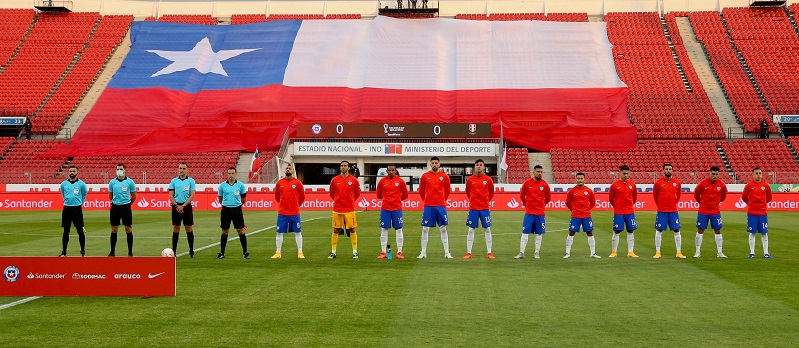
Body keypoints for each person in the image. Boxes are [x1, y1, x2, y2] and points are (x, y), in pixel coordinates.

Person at [418, 156, 452, 259]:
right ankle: (423, 252)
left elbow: (447, 191)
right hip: (428, 206)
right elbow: (421, 191)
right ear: (430, 164)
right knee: (425, 229)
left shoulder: (444, 176)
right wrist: (427, 200)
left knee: (443, 229)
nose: (434, 165)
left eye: (436, 163)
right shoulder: (425, 176)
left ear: (439, 164)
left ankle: (447, 252)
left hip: (440, 206)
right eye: (432, 163)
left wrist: (441, 200)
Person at [515, 165, 551, 259]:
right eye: (538, 171)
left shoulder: (545, 185)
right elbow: (522, 196)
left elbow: (548, 198)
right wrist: (527, 205)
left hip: (540, 213)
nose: (540, 173)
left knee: (539, 233)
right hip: (529, 213)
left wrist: (541, 205)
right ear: (533, 172)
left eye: (541, 172)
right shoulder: (527, 183)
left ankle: (536, 252)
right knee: (525, 232)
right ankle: (521, 252)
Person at [693, 166, 728, 258]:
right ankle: (697, 251)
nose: (715, 176)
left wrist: (715, 203)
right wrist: (702, 203)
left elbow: (723, 197)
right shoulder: (703, 183)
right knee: (700, 230)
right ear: (710, 173)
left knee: (718, 230)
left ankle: (720, 252)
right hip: (703, 211)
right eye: (713, 174)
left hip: (715, 212)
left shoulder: (722, 185)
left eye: (716, 174)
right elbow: (696, 194)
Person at [272, 164, 306, 259]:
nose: (288, 169)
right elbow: (277, 197)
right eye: (286, 168)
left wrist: (295, 205)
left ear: (293, 171)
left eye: (289, 168)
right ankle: (278, 252)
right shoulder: (279, 183)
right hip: (282, 212)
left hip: (294, 213)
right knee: (279, 232)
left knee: (298, 232)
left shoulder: (298, 183)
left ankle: (300, 252)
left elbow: (302, 197)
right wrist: (283, 204)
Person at [329, 160, 361, 259]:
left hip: (349, 209)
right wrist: (338, 200)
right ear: (340, 168)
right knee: (336, 230)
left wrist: (350, 200)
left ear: (348, 168)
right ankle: (333, 252)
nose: (343, 167)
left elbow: (357, 193)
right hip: (337, 209)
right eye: (342, 166)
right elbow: (331, 193)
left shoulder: (354, 180)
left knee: (352, 229)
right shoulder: (334, 180)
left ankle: (355, 251)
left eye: (345, 166)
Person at [564, 172, 601, 259]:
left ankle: (593, 253)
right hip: (575, 216)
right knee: (571, 232)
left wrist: (587, 210)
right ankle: (567, 252)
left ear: (584, 179)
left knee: (590, 232)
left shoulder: (589, 191)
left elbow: (592, 202)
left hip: (586, 216)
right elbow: (568, 203)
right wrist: (573, 210)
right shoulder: (572, 191)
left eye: (581, 178)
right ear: (576, 179)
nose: (580, 180)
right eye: (578, 179)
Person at [653, 163, 685, 259]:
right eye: (666, 169)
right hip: (662, 210)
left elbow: (678, 195)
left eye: (670, 169)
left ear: (672, 171)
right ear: (663, 171)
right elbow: (655, 197)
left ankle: (679, 252)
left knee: (677, 230)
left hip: (673, 210)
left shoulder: (677, 182)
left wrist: (673, 203)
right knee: (659, 230)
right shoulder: (658, 183)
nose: (668, 171)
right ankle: (658, 252)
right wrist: (660, 206)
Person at [464, 159, 495, 259]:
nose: (479, 166)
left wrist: (484, 201)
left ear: (484, 167)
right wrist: (474, 201)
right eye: (477, 165)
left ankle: (489, 252)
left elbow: (491, 193)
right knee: (471, 230)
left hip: (484, 208)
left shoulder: (488, 180)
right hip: (473, 208)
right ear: (475, 167)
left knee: (487, 229)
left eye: (481, 165)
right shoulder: (470, 180)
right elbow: (468, 193)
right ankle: (469, 252)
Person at [376, 164, 409, 259]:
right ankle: (383, 252)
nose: (391, 172)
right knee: (384, 230)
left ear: (395, 171)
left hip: (397, 209)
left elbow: (405, 195)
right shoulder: (382, 182)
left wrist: (396, 200)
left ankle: (399, 252)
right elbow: (378, 195)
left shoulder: (400, 181)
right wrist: (388, 200)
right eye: (389, 170)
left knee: (399, 229)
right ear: (386, 171)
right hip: (385, 209)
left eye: (392, 170)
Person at [217, 167, 249, 259]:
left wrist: (237, 205)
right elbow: (220, 198)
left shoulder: (240, 185)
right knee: (224, 231)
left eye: (232, 173)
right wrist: (226, 204)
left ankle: (245, 252)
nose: (231, 175)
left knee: (241, 231)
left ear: (235, 174)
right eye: (229, 173)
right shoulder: (222, 185)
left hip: (237, 210)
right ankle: (222, 252)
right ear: (227, 174)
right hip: (226, 210)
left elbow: (243, 198)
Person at [608, 165, 639, 258]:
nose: (626, 175)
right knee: (617, 231)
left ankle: (630, 252)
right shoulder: (614, 185)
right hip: (619, 212)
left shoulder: (632, 184)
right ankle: (614, 251)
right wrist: (617, 206)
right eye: (624, 173)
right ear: (620, 173)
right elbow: (611, 199)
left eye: (627, 173)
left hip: (630, 212)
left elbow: (634, 197)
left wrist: (629, 206)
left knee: (631, 230)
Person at [742, 167, 773, 258]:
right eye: (756, 173)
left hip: (762, 212)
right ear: (753, 174)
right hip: (752, 212)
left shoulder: (766, 185)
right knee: (752, 232)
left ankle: (766, 253)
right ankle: (752, 252)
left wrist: (763, 203)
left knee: (764, 232)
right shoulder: (749, 185)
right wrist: (751, 204)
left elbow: (769, 197)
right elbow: (744, 197)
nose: (758, 175)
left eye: (760, 173)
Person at [168, 162, 196, 258]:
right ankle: (173, 252)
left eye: (184, 168)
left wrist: (183, 206)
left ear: (187, 170)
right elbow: (171, 195)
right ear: (178, 169)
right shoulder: (174, 181)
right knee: (176, 228)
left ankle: (191, 251)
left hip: (186, 206)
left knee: (188, 228)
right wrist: (176, 206)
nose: (182, 170)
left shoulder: (191, 181)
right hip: (176, 206)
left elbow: (192, 195)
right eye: (180, 168)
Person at [108, 163, 136, 257]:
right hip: (115, 207)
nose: (119, 171)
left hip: (126, 207)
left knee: (128, 229)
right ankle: (112, 252)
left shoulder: (130, 182)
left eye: (120, 169)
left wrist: (127, 204)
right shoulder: (112, 182)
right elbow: (110, 195)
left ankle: (130, 252)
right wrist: (116, 202)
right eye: (117, 169)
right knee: (114, 230)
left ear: (125, 170)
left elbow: (134, 196)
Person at [60, 165, 87, 256]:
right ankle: (64, 252)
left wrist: (79, 203)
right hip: (67, 208)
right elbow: (63, 195)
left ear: (77, 172)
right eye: (70, 171)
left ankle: (82, 251)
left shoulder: (81, 184)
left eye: (73, 171)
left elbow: (83, 195)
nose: (72, 173)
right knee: (66, 231)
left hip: (77, 209)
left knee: (80, 230)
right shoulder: (63, 184)